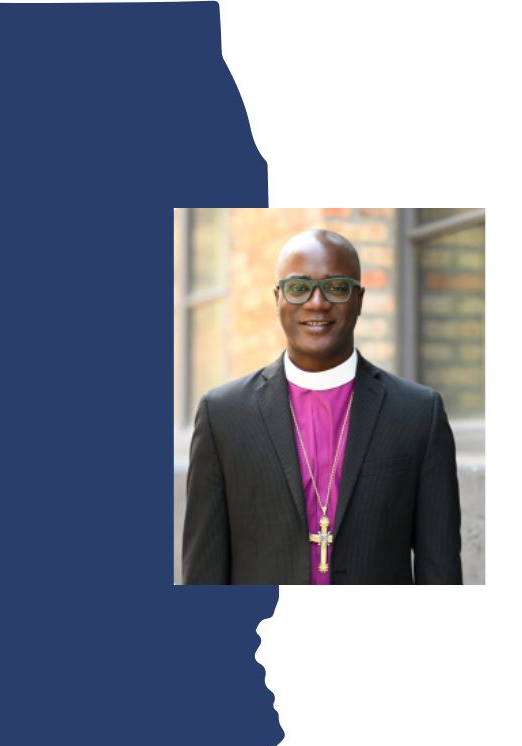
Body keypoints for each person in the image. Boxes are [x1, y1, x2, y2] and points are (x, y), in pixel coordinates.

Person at [182, 228, 462, 585]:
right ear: (277, 298)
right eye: (298, 288)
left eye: (337, 287)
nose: (317, 302)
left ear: (359, 299)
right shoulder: (222, 415)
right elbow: (203, 572)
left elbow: (440, 571)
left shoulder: (419, 413)